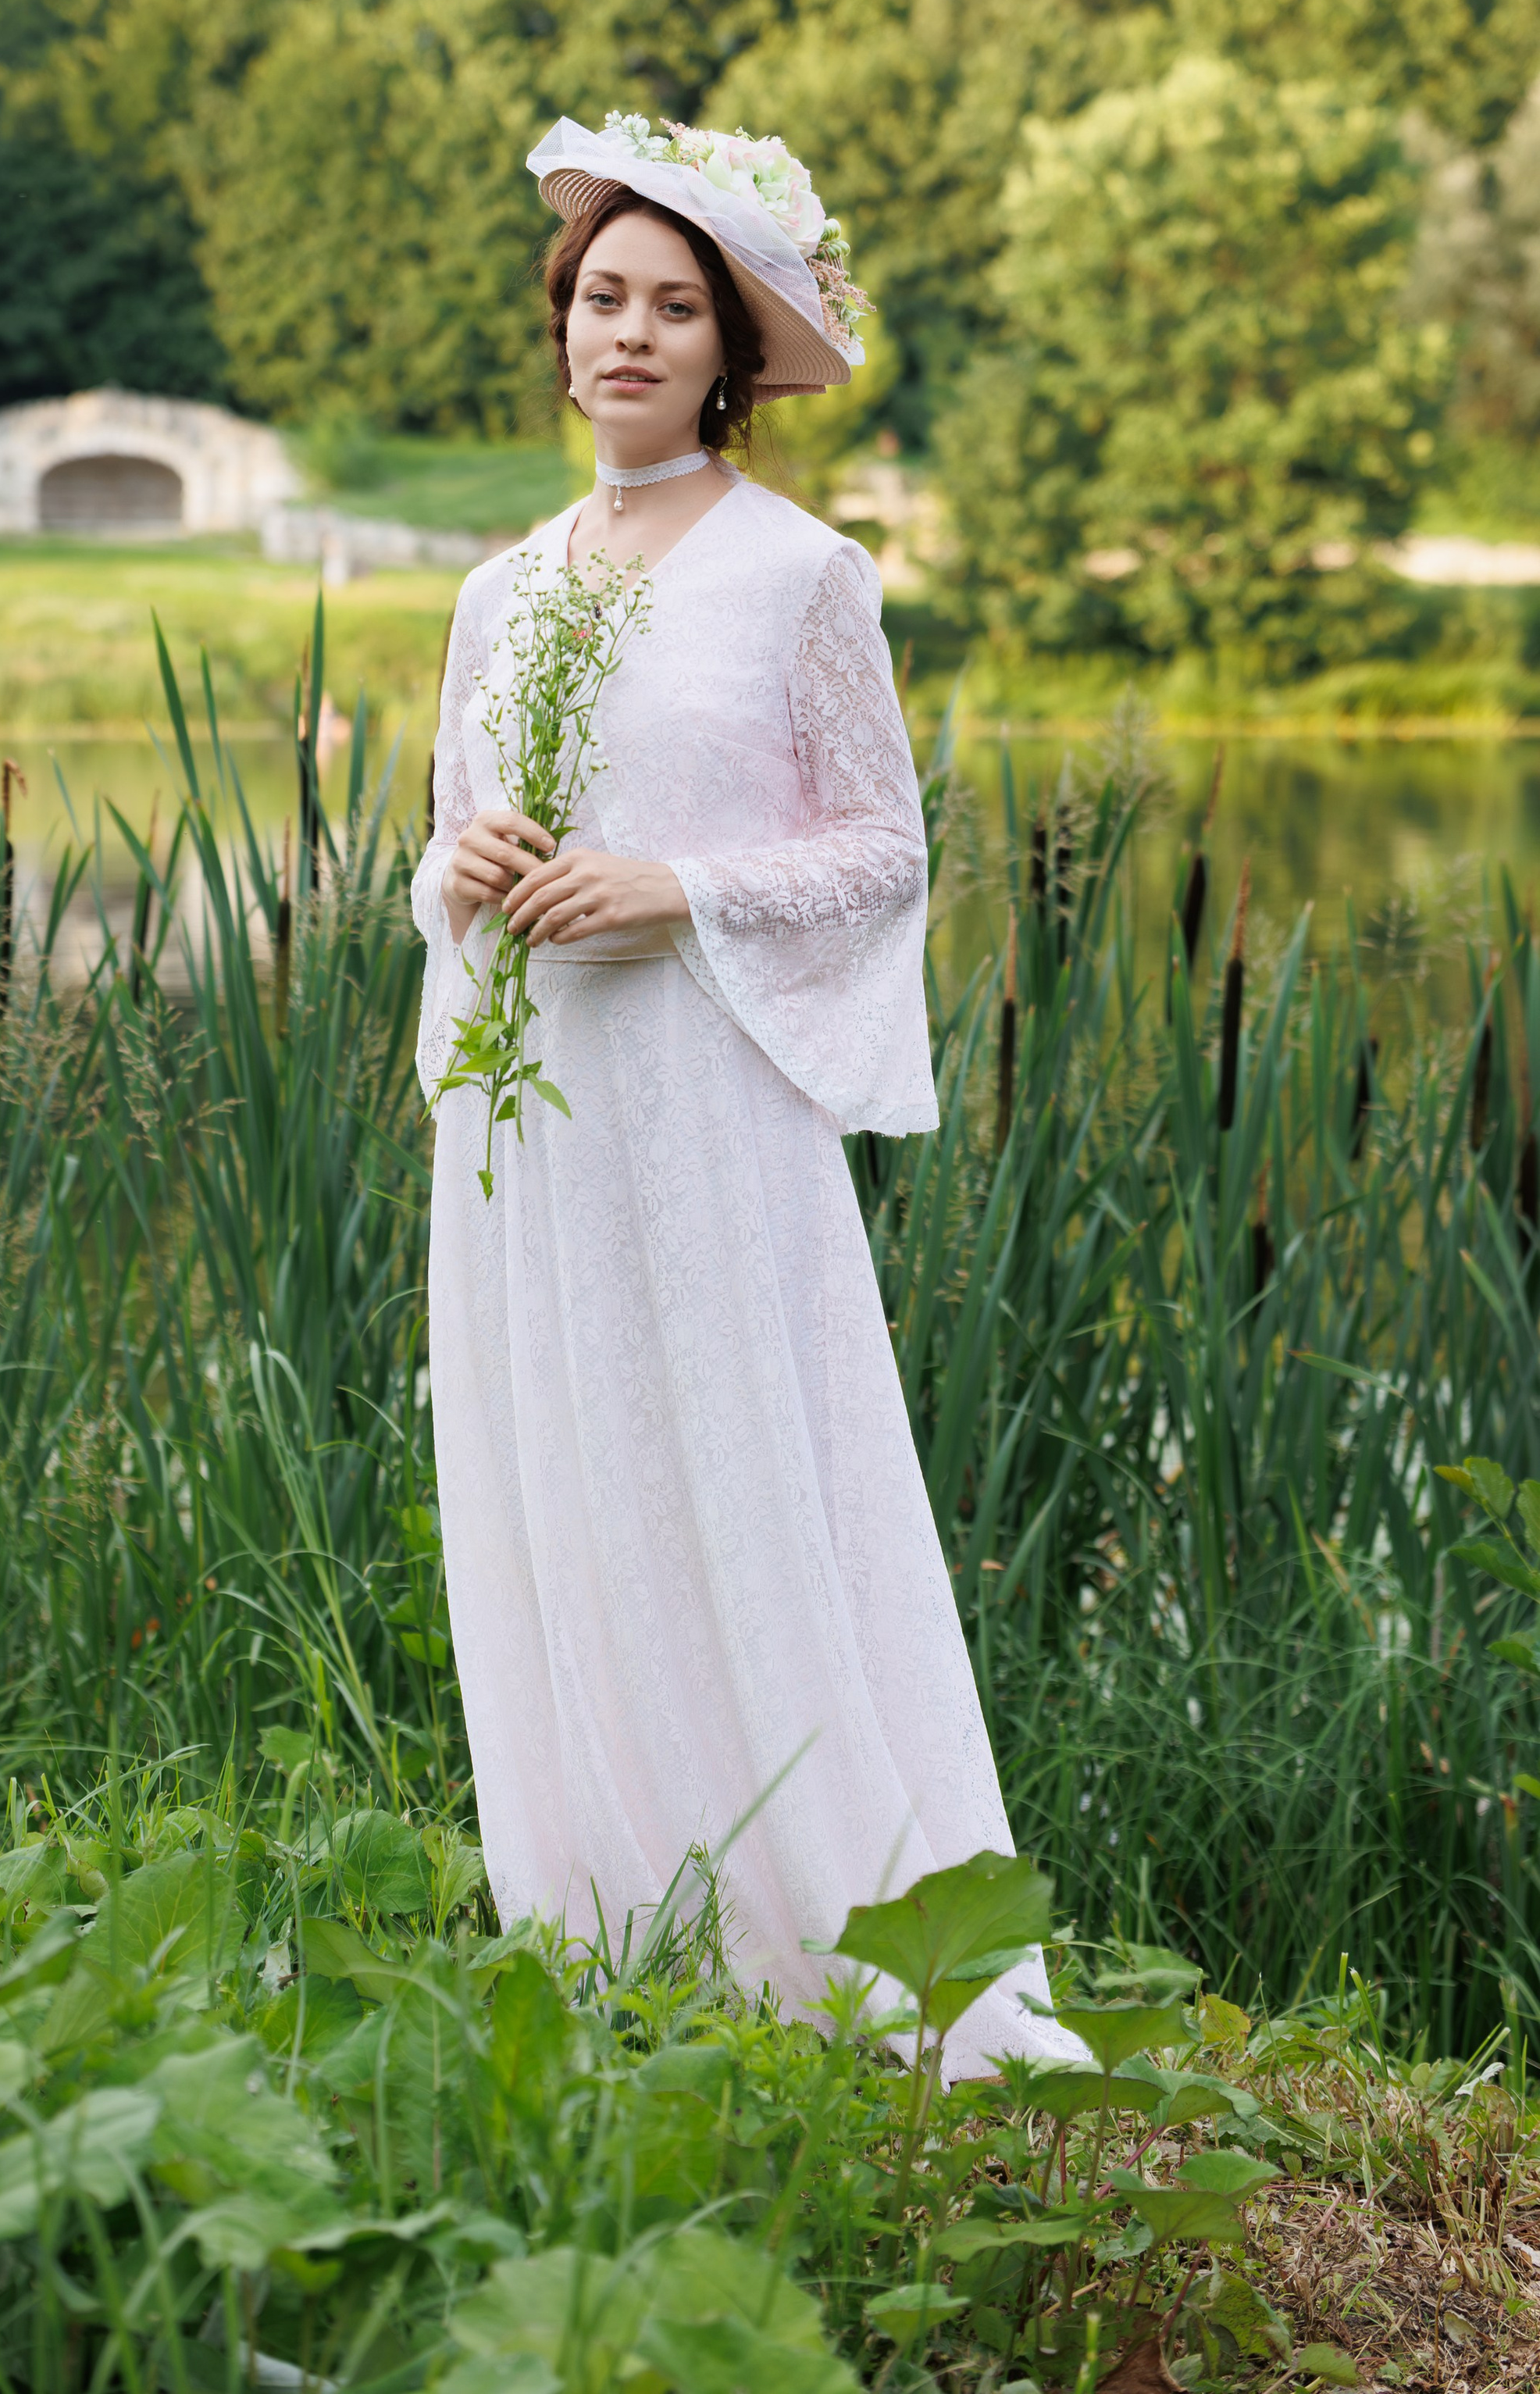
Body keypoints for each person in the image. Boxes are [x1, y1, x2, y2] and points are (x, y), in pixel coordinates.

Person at [411, 112, 1075, 2069]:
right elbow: (460, 840)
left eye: (669, 306)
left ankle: (849, 1938)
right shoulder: (494, 590)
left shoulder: (804, 578)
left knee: (737, 1472)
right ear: (560, 332)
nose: (625, 334)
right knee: (563, 1476)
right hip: (527, 1113)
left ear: (729, 352)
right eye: (598, 298)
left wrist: (677, 887)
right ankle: (615, 1916)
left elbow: (885, 849)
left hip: (703, 1097)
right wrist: (453, 875)